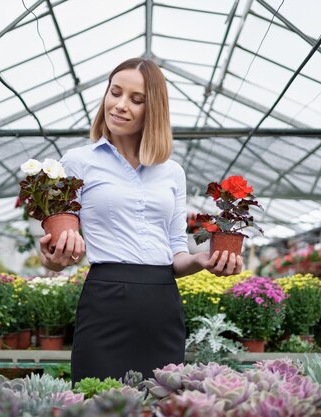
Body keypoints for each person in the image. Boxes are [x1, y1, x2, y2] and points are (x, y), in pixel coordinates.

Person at [38, 57, 243, 384]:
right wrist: (53, 256)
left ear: (154, 110)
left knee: (161, 403)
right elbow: (59, 249)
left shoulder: (173, 173)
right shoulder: (78, 162)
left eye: (136, 100)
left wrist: (200, 260)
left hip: (162, 304)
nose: (119, 105)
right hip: (105, 301)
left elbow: (176, 252)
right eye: (114, 93)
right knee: (96, 402)